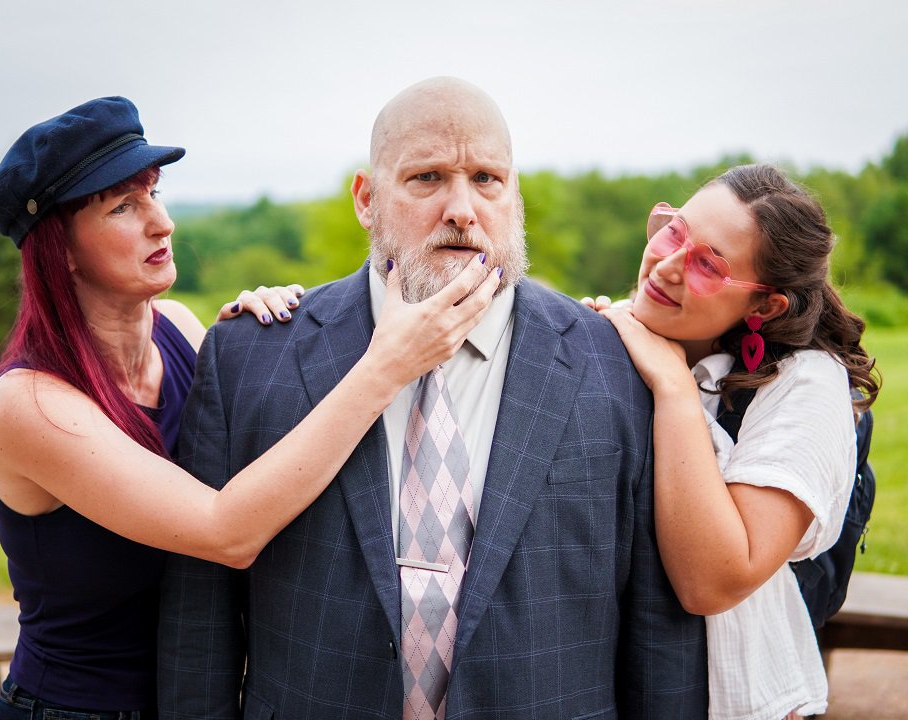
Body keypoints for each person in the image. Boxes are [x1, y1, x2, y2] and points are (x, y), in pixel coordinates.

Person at [158, 77, 708, 719]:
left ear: (515, 194)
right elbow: (199, 622)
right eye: (427, 178)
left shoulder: (614, 361)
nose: (462, 208)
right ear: (366, 199)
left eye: (486, 179)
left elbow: (657, 626)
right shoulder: (250, 356)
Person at [0, 96, 500, 719]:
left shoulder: (178, 326)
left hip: (188, 698)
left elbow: (245, 437)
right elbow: (227, 531)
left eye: (154, 193)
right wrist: (386, 366)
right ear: (59, 250)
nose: (160, 223)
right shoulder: (29, 403)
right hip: (74, 711)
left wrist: (256, 343)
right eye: (123, 206)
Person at [583, 164, 880, 719]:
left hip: (734, 701)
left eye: (706, 265)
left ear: (764, 306)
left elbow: (713, 581)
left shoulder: (807, 383)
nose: (666, 265)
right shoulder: (609, 330)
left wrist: (672, 386)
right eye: (674, 230)